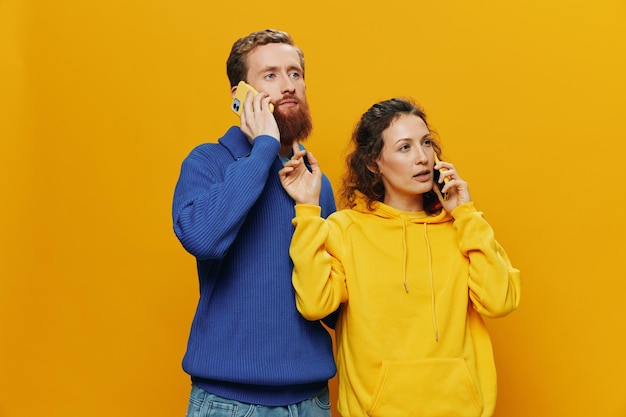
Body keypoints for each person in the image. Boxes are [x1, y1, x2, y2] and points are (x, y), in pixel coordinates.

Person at [279, 97, 521, 417]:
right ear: (373, 163)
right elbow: (314, 304)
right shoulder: (346, 230)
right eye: (404, 148)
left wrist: (466, 214)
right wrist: (308, 212)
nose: (422, 158)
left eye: (426, 143)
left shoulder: (460, 229)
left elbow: (500, 300)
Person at [172, 29, 337, 416]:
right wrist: (263, 147)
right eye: (271, 75)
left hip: (311, 400)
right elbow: (202, 238)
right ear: (239, 96)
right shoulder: (208, 162)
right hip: (229, 402)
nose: (288, 85)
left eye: (295, 74)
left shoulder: (314, 181)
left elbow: (329, 303)